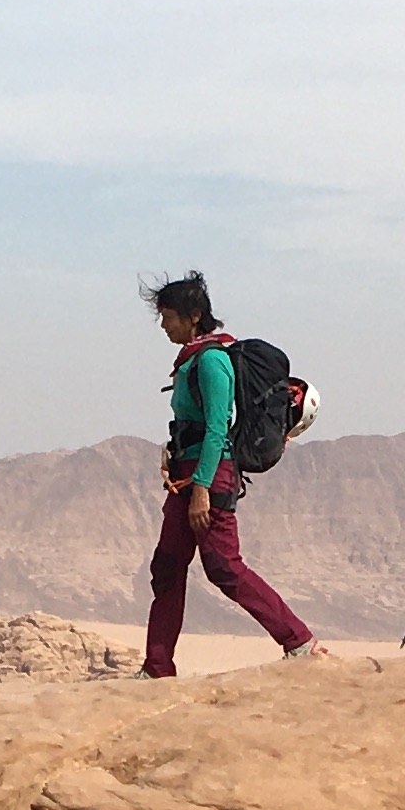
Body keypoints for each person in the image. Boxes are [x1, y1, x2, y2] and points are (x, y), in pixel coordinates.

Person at [141, 273, 330, 676]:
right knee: (168, 567)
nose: (163, 326)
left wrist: (202, 490)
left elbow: (216, 427)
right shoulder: (193, 358)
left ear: (193, 317)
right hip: (186, 473)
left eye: (169, 317)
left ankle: (298, 641)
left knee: (224, 567)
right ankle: (157, 668)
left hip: (209, 476)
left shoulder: (211, 361)